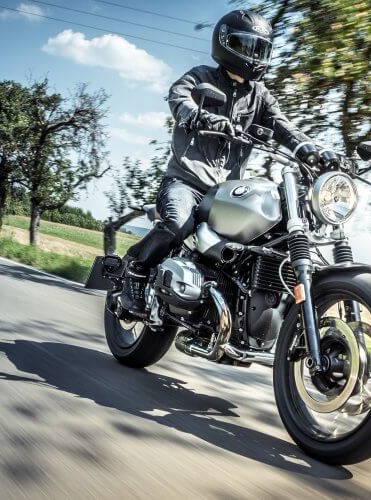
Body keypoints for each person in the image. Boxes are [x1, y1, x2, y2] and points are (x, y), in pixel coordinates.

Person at [118, 9, 317, 315]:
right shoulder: (202, 77)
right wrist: (199, 115)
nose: (254, 55)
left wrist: (309, 150)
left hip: (226, 192)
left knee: (270, 235)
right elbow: (178, 97)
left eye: (260, 49)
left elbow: (283, 125)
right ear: (226, 44)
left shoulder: (260, 95)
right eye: (247, 47)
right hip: (186, 181)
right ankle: (136, 269)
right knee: (178, 223)